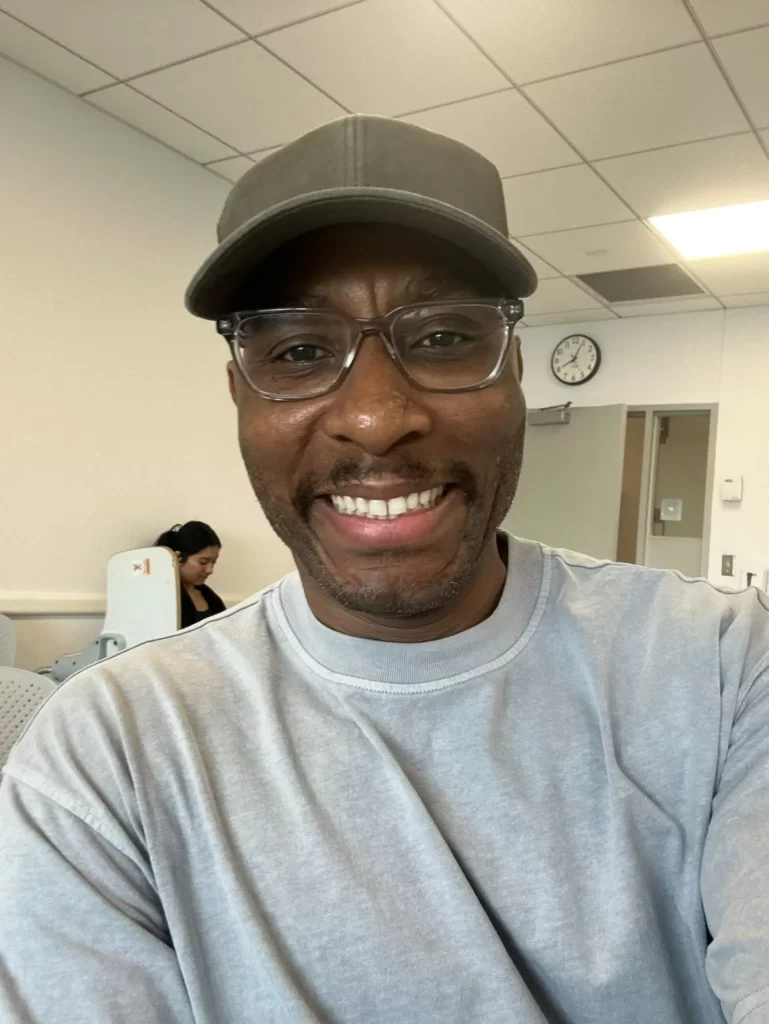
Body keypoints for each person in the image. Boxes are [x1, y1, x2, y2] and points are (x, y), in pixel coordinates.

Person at [0, 116, 767, 1024]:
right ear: (239, 395)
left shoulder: (723, 665)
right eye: (298, 351)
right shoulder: (109, 751)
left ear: (515, 370)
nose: (374, 417)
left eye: (442, 337)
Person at [155, 521, 226, 628]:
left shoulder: (210, 597)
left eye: (213, 562)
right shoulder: (160, 595)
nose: (210, 570)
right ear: (178, 558)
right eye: (203, 562)